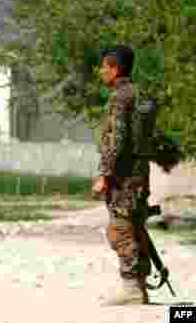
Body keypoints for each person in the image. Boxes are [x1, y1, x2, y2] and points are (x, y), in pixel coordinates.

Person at [92, 45, 153, 305]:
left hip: (123, 175)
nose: (102, 72)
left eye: (104, 67)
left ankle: (131, 288)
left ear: (115, 68)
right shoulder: (142, 95)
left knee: (120, 228)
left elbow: (117, 141)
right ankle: (139, 286)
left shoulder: (120, 98)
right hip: (140, 172)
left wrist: (105, 174)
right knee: (136, 226)